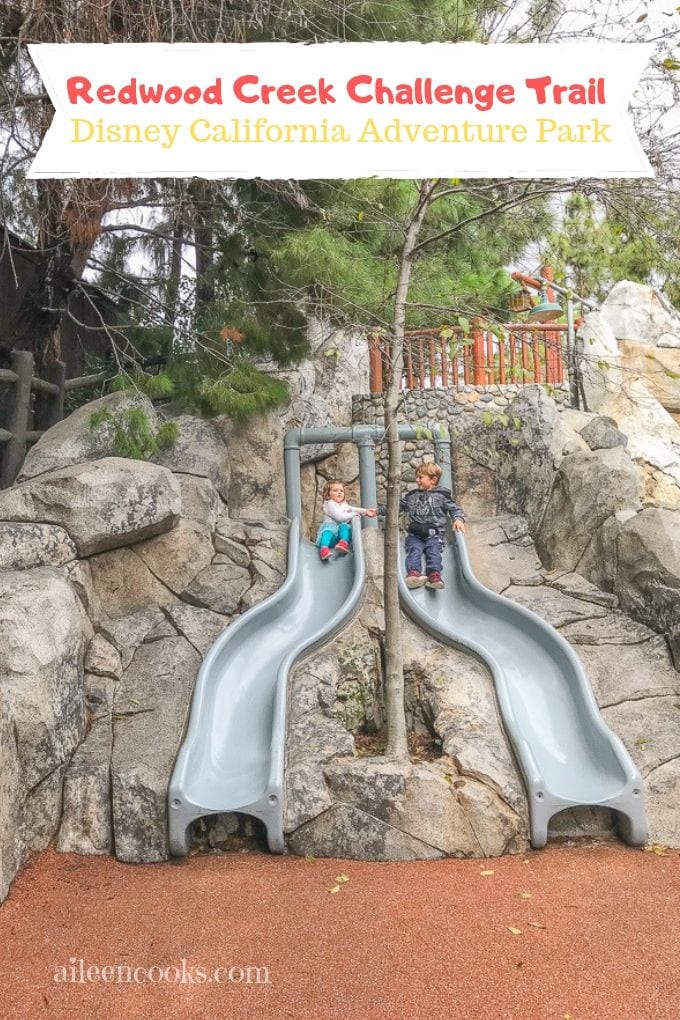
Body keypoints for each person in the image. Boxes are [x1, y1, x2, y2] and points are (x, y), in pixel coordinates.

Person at [383, 461, 465, 590]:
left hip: (434, 534)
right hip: (415, 534)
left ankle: (434, 575)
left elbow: (454, 509)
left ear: (433, 480)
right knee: (414, 551)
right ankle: (414, 574)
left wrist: (458, 519)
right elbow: (395, 507)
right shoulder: (412, 496)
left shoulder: (442, 496)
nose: (417, 480)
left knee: (434, 551)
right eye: (417, 477)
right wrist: (378, 511)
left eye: (420, 477)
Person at [316, 480, 377, 561]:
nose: (339, 492)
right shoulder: (329, 504)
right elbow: (340, 517)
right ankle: (324, 549)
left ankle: (343, 543)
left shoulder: (343, 504)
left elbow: (352, 509)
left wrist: (366, 511)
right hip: (331, 537)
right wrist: (353, 514)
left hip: (338, 536)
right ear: (328, 494)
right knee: (327, 532)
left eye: (341, 491)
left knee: (344, 526)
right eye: (335, 490)